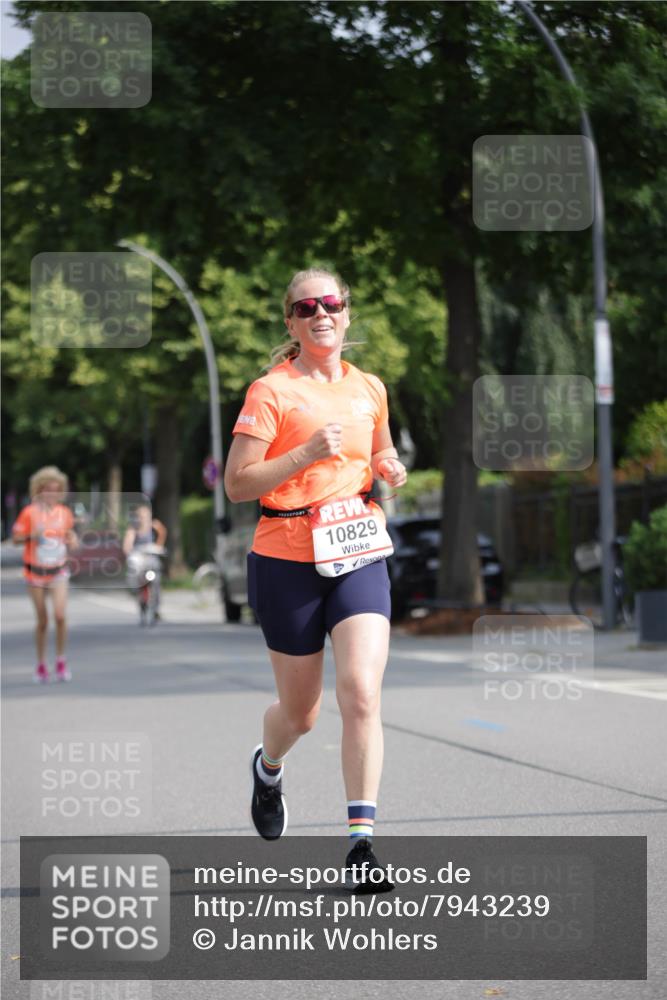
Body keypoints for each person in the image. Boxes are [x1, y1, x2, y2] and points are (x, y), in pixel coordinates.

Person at [224, 267, 407, 893]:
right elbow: (237, 483)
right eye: (306, 307)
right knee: (301, 713)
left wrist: (389, 465)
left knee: (361, 692)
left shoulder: (370, 387)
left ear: (347, 312)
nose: (320, 314)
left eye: (330, 303)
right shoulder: (271, 391)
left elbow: (378, 451)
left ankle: (362, 843)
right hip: (285, 556)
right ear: (291, 321)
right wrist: (304, 453)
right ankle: (268, 766)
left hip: (357, 548)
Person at [11, 466, 78, 683]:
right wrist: (32, 535)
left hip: (58, 570)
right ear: (39, 490)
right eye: (48, 489)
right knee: (43, 620)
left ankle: (60, 660)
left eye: (56, 490)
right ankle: (41, 663)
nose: (52, 494)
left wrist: (73, 540)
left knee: (60, 615)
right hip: (35, 572)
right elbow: (16, 538)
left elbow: (69, 537)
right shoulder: (29, 512)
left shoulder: (64, 513)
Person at [122, 504, 167, 622]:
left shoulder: (154, 525)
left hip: (150, 555)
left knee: (156, 576)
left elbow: (162, 533)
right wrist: (129, 551)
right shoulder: (133, 528)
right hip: (139, 556)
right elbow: (127, 544)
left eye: (146, 516)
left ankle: (156, 607)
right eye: (141, 516)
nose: (143, 518)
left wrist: (159, 546)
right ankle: (135, 591)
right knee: (134, 571)